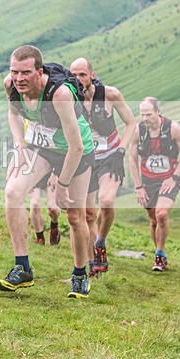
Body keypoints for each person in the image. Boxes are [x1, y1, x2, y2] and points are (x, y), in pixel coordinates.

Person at [0, 45, 95, 298]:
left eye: (26, 72)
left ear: (39, 72)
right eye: (15, 71)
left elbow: (76, 147)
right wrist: (19, 146)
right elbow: (13, 114)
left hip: (76, 151)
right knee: (13, 192)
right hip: (42, 147)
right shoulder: (10, 85)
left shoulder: (59, 95)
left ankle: (80, 275)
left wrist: (62, 185)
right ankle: (23, 268)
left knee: (75, 216)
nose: (19, 78)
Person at [69, 58, 136, 276]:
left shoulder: (110, 94)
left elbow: (131, 123)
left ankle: (100, 241)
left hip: (110, 157)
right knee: (88, 215)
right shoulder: (68, 98)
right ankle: (91, 266)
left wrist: (121, 151)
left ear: (92, 75)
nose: (78, 80)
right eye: (74, 75)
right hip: (85, 159)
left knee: (106, 201)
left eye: (82, 75)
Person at [128, 97, 180, 271]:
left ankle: (159, 256)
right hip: (147, 181)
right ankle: (160, 255)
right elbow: (132, 159)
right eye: (142, 115)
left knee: (161, 214)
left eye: (149, 114)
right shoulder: (138, 130)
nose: (145, 118)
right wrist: (138, 187)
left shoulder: (173, 128)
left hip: (169, 179)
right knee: (153, 220)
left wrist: (174, 177)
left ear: (158, 112)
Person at [29, 172, 61, 245]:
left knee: (52, 208)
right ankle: (40, 238)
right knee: (34, 204)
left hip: (51, 172)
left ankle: (54, 226)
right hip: (34, 172)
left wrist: (54, 174)